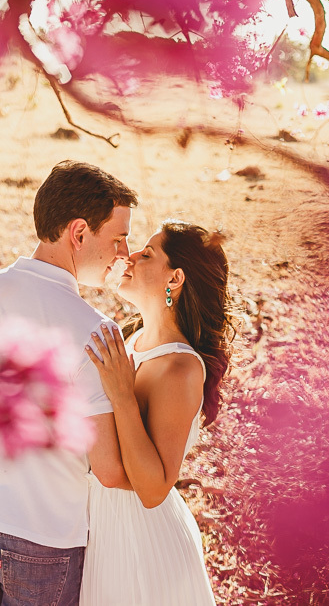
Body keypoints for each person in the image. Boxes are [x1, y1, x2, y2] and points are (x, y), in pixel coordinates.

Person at [0, 160, 137, 605]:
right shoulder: (95, 332)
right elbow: (111, 470)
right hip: (42, 541)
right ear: (78, 233)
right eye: (117, 237)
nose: (124, 252)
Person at [81, 220, 232, 605]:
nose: (129, 257)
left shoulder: (180, 369)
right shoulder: (131, 341)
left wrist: (122, 396)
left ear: (175, 278)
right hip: (102, 528)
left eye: (147, 254)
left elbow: (153, 489)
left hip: (141, 544)